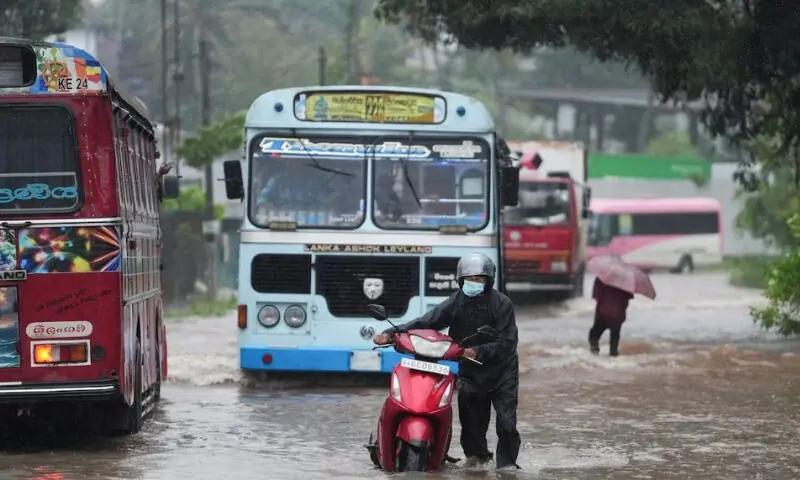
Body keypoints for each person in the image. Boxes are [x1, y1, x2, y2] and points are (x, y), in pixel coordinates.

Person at [373, 253, 521, 470]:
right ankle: (478, 465)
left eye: (480, 279)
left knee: (507, 425)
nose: (475, 284)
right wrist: (391, 332)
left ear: (489, 280)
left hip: (502, 372)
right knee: (471, 428)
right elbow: (428, 320)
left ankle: (507, 468)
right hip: (471, 372)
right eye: (470, 279)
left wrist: (476, 352)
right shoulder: (457, 302)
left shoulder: (502, 304)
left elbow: (508, 343)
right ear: (461, 280)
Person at [589, 277, 634, 356]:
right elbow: (629, 296)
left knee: (594, 336)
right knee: (614, 342)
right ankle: (613, 356)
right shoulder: (626, 280)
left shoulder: (601, 278)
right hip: (617, 314)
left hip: (602, 312)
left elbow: (595, 295)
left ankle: (594, 351)